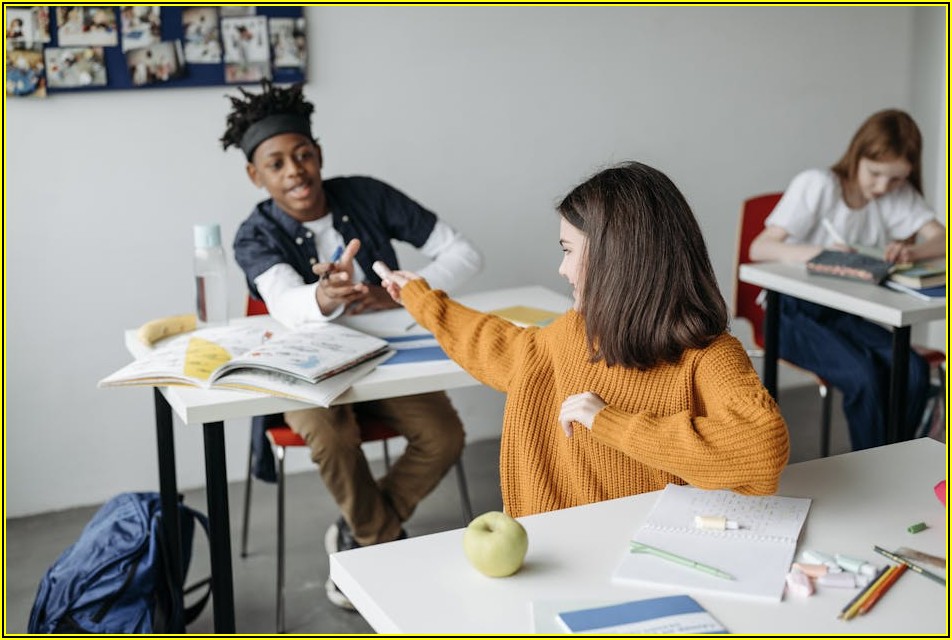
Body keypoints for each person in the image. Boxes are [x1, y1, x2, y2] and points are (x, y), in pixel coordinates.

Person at [376, 161, 790, 518]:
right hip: (565, 550)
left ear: (617, 259)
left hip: (660, 553)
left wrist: (609, 421)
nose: (562, 269)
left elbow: (762, 449)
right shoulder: (573, 335)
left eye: (569, 251)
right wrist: (421, 299)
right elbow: (497, 345)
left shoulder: (710, 356)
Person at [221, 81, 483, 609]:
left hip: (384, 360)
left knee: (445, 434)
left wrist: (407, 295)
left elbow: (464, 253)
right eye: (277, 164)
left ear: (319, 155)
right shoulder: (253, 234)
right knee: (330, 433)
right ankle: (378, 544)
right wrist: (321, 295)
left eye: (303, 155)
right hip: (304, 373)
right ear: (256, 175)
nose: (294, 171)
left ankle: (357, 531)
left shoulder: (366, 193)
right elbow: (283, 303)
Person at [749, 109, 945, 451]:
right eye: (876, 173)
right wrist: (823, 252)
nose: (884, 187)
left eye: (897, 178)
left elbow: (942, 238)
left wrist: (914, 252)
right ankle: (877, 468)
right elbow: (760, 247)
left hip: (844, 314)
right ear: (858, 155)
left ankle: (893, 460)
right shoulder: (820, 184)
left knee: (913, 371)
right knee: (864, 377)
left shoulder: (896, 194)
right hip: (792, 316)